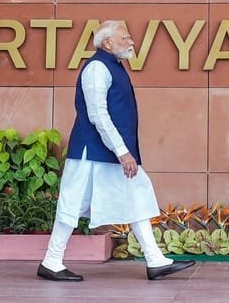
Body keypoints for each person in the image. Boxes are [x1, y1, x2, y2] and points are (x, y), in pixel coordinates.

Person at [37, 20, 195, 281]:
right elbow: (98, 114)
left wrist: (121, 151)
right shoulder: (97, 68)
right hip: (91, 153)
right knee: (72, 205)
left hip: (108, 153)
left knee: (137, 196)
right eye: (125, 37)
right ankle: (51, 261)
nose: (131, 42)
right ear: (107, 42)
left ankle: (155, 260)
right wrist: (122, 151)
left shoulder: (113, 67)